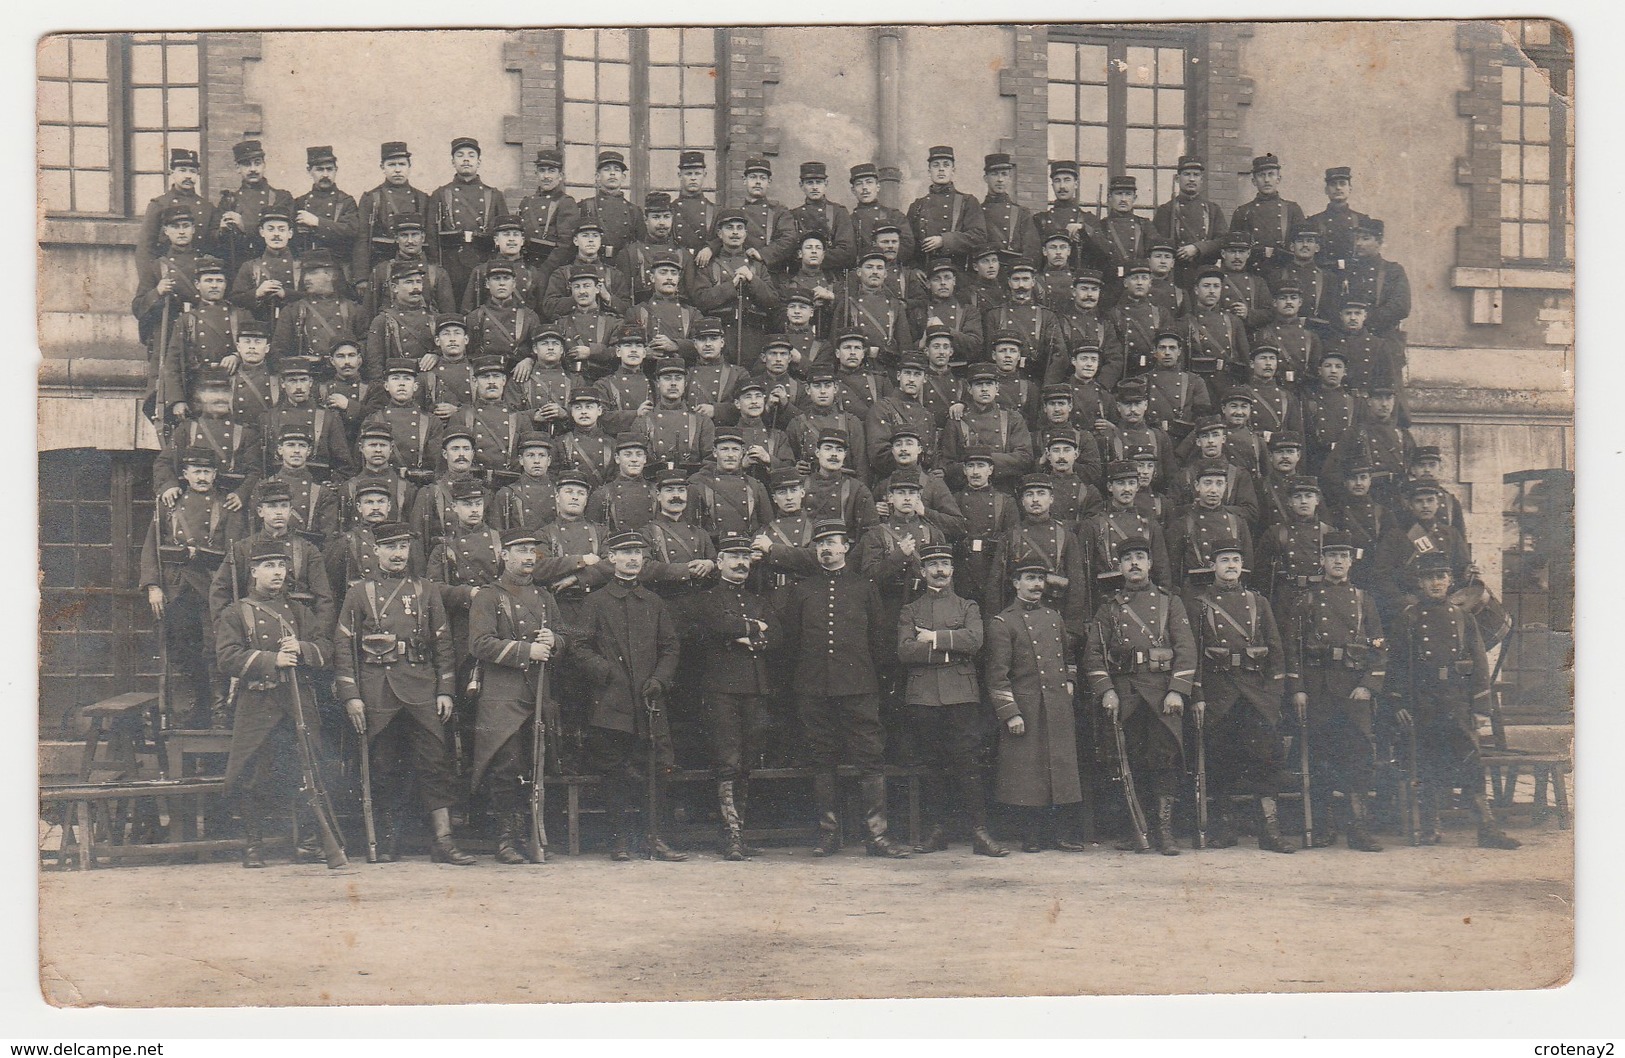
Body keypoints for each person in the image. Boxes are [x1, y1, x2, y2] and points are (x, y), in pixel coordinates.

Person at [333, 522, 469, 864]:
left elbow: (444, 643)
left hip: (422, 688)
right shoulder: (359, 592)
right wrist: (351, 695)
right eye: (390, 547)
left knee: (435, 763)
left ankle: (444, 840)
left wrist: (446, 691)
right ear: (376, 551)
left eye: (403, 547)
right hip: (378, 689)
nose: (397, 554)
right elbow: (343, 645)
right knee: (382, 765)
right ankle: (386, 838)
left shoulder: (427, 590)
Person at [779, 520, 909, 857]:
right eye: (820, 544)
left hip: (859, 685)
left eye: (832, 543)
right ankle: (829, 834)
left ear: (846, 547)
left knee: (870, 757)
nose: (826, 549)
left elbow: (879, 638)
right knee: (822, 758)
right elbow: (791, 640)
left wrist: (875, 681)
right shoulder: (803, 589)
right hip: (813, 685)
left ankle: (877, 837)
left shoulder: (864, 586)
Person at [1385, 551, 1520, 849]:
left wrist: (1482, 707)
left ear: (1449, 580)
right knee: (1426, 764)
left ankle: (1487, 828)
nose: (1435, 583)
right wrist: (1397, 703)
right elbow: (1395, 666)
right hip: (1422, 703)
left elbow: (1480, 665)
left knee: (1471, 764)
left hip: (1456, 702)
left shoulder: (1463, 618)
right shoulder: (1407, 619)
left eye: (1440, 576)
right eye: (1429, 577)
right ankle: (1430, 827)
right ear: (1420, 582)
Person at [216, 541, 334, 868]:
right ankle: (254, 845)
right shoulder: (236, 613)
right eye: (268, 566)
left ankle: (309, 843)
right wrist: (273, 659)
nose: (277, 572)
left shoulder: (299, 611)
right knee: (254, 774)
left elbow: (327, 648)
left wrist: (303, 647)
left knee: (306, 770)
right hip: (258, 702)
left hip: (297, 703)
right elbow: (226, 658)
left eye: (281, 565)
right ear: (253, 571)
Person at [571, 530, 686, 861]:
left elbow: (670, 646)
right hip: (612, 704)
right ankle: (619, 842)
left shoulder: (654, 602)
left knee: (659, 770)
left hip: (650, 703)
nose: (633, 558)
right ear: (612, 559)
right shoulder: (595, 602)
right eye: (626, 552)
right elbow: (579, 646)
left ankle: (657, 839)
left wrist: (660, 680)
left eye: (638, 553)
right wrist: (605, 672)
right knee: (615, 773)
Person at [466, 526, 575, 864]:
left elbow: (565, 636)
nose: (529, 557)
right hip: (502, 697)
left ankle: (536, 834)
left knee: (539, 765)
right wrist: (528, 650)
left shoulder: (545, 597)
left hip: (539, 695)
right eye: (520, 550)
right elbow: (480, 644)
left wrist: (554, 641)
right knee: (505, 767)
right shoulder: (488, 596)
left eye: (532, 551)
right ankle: (506, 839)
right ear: (504, 555)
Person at [1086, 536, 1198, 855]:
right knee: (1128, 763)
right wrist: (1106, 690)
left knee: (1165, 761)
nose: (1134, 563)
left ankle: (1164, 830)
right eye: (1127, 559)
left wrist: (1177, 690)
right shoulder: (1109, 608)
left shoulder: (1169, 602)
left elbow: (1186, 649)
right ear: (1119, 567)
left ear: (1150, 563)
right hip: (1126, 696)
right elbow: (1093, 654)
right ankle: (1137, 827)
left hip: (1163, 695)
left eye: (1140, 557)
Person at [1188, 537, 1296, 852]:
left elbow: (1276, 652)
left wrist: (1273, 696)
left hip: (1255, 695)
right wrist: (1198, 695)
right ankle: (1225, 828)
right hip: (1219, 694)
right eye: (1224, 560)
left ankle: (1270, 831)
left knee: (1266, 762)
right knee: (1221, 763)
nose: (1231, 566)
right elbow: (1193, 654)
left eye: (1235, 560)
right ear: (1212, 566)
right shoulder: (1199, 603)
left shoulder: (1258, 602)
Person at [898, 543, 1006, 856]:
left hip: (961, 694)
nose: (940, 570)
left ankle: (979, 832)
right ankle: (937, 830)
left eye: (945, 563)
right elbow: (905, 650)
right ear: (922, 571)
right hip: (924, 696)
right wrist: (951, 647)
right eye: (933, 565)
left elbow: (974, 641)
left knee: (968, 763)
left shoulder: (968, 606)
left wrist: (931, 637)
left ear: (953, 569)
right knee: (932, 764)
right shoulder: (911, 609)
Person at [1283, 531, 1386, 852]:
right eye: (1332, 556)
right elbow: (1293, 649)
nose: (1338, 561)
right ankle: (1324, 827)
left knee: (1358, 759)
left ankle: (1359, 829)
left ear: (1351, 561)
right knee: (1321, 758)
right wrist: (1298, 689)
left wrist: (1369, 684)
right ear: (1322, 561)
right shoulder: (1306, 601)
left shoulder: (1363, 600)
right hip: (1320, 689)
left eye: (1343, 555)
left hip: (1355, 691)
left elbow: (1380, 648)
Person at [987, 555, 1087, 853]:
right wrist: (1010, 713)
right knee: (1028, 773)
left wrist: (1070, 682)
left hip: (1056, 704)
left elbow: (1068, 657)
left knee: (1059, 769)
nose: (1036, 585)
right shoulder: (1003, 622)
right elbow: (997, 675)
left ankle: (1058, 833)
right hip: (1026, 707)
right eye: (1029, 578)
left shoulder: (1054, 617)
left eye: (1040, 579)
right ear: (1016, 583)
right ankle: (1030, 834)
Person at [140, 447, 242, 729]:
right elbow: (152, 546)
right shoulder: (169, 503)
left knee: (215, 648)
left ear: (215, 474)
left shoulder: (227, 504)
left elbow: (235, 553)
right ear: (184, 474)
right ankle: (194, 708)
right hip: (176, 587)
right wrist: (152, 586)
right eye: (196, 471)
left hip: (213, 587)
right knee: (182, 649)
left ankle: (219, 711)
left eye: (207, 471)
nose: (202, 476)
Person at [692, 534, 778, 859]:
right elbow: (715, 624)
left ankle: (738, 829)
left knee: (747, 760)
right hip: (721, 689)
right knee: (727, 761)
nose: (741, 563)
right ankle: (731, 836)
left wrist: (748, 635)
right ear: (719, 562)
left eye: (745, 557)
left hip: (755, 688)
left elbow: (778, 633)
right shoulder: (709, 598)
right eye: (733, 557)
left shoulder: (758, 599)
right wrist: (755, 628)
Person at [433, 137, 508, 298]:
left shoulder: (494, 195)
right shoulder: (440, 194)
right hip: (450, 265)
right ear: (453, 161)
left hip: (484, 261)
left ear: (479, 161)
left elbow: (504, 234)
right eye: (460, 155)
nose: (466, 159)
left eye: (471, 155)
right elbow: (431, 236)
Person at [354, 141, 436, 286]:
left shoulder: (422, 198)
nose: (397, 170)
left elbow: (430, 237)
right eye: (392, 165)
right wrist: (362, 278)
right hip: (381, 266)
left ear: (409, 166)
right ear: (382, 167)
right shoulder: (372, 198)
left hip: (416, 269)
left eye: (402, 164)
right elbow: (362, 239)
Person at [906, 145, 989, 268]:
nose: (941, 169)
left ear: (953, 171)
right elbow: (909, 243)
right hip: (926, 271)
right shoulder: (917, 205)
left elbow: (978, 236)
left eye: (946, 165)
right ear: (929, 172)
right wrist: (914, 270)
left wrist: (944, 240)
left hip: (957, 272)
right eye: (936, 165)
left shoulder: (967, 201)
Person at [1153, 156, 1227, 288]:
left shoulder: (1212, 209)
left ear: (1202, 180)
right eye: (1187, 174)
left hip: (1206, 276)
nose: (1192, 179)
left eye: (1196, 175)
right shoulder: (1166, 210)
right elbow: (1160, 243)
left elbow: (1223, 241)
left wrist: (1198, 248)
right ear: (1177, 178)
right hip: (1177, 276)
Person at [291, 146, 361, 281]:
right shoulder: (300, 202)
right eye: (319, 169)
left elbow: (351, 230)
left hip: (338, 268)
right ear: (309, 171)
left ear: (336, 170)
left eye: (329, 169)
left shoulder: (345, 201)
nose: (325, 174)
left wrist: (317, 222)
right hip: (308, 267)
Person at [1226, 154, 1306, 270]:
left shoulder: (1292, 209)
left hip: (1285, 271)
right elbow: (1234, 247)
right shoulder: (1243, 212)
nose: (1266, 180)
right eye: (1261, 175)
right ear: (1254, 181)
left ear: (1278, 179)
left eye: (1271, 174)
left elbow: (1300, 245)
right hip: (1253, 272)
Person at [139, 147, 215, 259]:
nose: (188, 176)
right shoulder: (159, 204)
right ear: (172, 173)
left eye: (193, 171)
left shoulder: (207, 207)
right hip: (168, 271)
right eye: (182, 170)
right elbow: (145, 249)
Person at [517, 148, 580, 277]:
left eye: (551, 171)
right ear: (536, 174)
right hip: (526, 268)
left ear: (560, 176)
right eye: (542, 171)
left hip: (550, 271)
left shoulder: (565, 203)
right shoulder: (526, 203)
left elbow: (566, 245)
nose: (546, 176)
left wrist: (544, 271)